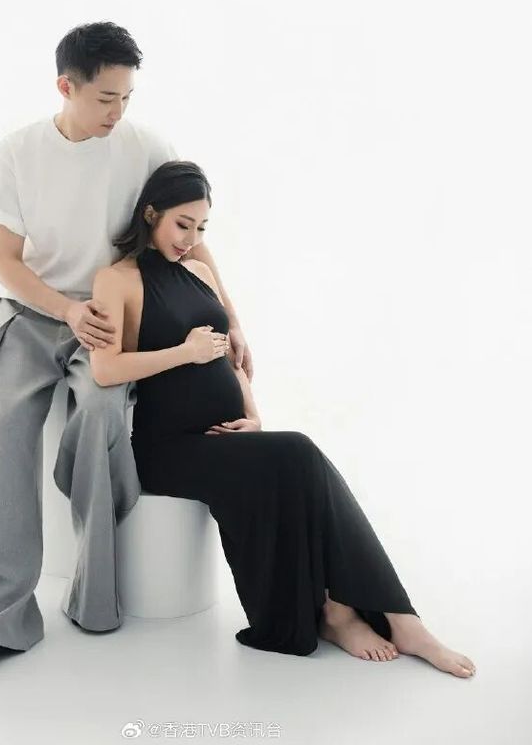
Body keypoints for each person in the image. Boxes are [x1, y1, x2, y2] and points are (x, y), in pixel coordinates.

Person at [89, 160, 477, 679]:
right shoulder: (117, 280)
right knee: (300, 452)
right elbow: (106, 368)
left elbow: (231, 360)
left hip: (226, 437)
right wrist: (184, 352)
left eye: (201, 228)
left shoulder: (200, 272)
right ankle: (393, 618)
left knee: (295, 462)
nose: (191, 239)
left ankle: (342, 612)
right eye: (183, 225)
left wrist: (253, 416)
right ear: (150, 213)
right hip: (168, 448)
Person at [0, 22, 253, 678]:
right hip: (32, 312)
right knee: (9, 431)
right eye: (106, 98)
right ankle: (1, 617)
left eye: (127, 97)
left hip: (117, 316)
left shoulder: (147, 148)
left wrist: (230, 317)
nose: (119, 112)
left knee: (102, 416)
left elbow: (191, 236)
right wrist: (65, 309)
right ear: (67, 87)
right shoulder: (16, 154)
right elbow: (6, 262)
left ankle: (94, 595)